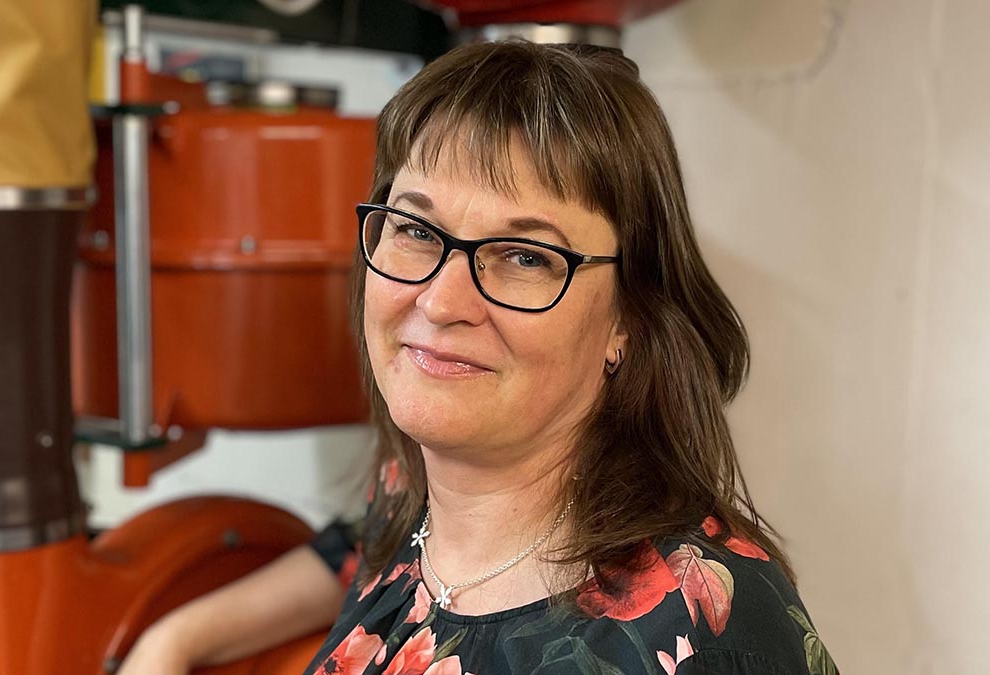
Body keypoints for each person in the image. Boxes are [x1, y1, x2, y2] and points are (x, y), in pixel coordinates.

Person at [120, 40, 839, 675]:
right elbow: (352, 552)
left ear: (628, 317)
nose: (441, 301)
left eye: (525, 256)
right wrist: (171, 640)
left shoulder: (706, 633)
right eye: (416, 229)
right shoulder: (415, 498)